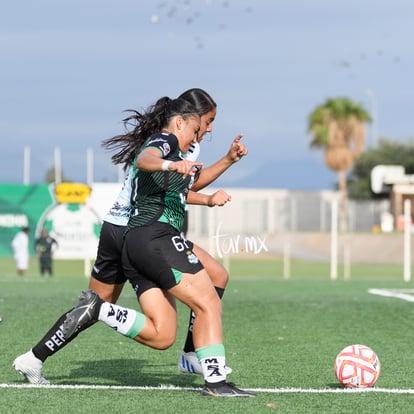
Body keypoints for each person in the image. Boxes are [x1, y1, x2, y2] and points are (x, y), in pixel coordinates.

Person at [13, 88, 248, 392]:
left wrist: (222, 168)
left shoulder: (180, 145)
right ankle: (35, 356)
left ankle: (191, 354)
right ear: (189, 119)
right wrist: (175, 168)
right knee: (109, 302)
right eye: (209, 121)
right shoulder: (169, 142)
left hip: (136, 230)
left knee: (209, 283)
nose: (210, 128)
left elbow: (179, 186)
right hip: (132, 230)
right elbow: (151, 163)